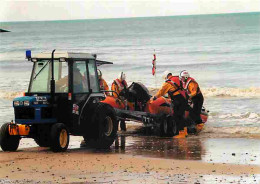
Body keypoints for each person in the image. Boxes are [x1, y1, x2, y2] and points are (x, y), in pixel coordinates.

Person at [152, 71, 188, 138]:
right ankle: (185, 132)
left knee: (177, 116)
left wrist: (155, 97)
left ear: (165, 76)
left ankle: (181, 133)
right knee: (182, 115)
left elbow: (161, 92)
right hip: (184, 99)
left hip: (178, 100)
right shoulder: (178, 78)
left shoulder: (167, 83)